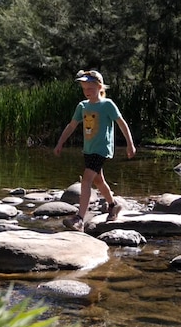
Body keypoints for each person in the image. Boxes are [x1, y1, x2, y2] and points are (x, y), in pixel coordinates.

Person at [54, 69, 136, 231]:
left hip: (101, 148)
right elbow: (71, 125)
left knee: (86, 180)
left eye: (90, 88)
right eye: (84, 89)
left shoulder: (107, 105)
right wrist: (60, 143)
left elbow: (121, 123)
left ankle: (79, 219)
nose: (87, 92)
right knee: (98, 180)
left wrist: (130, 144)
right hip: (88, 149)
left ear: (100, 87)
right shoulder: (82, 106)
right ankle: (113, 206)